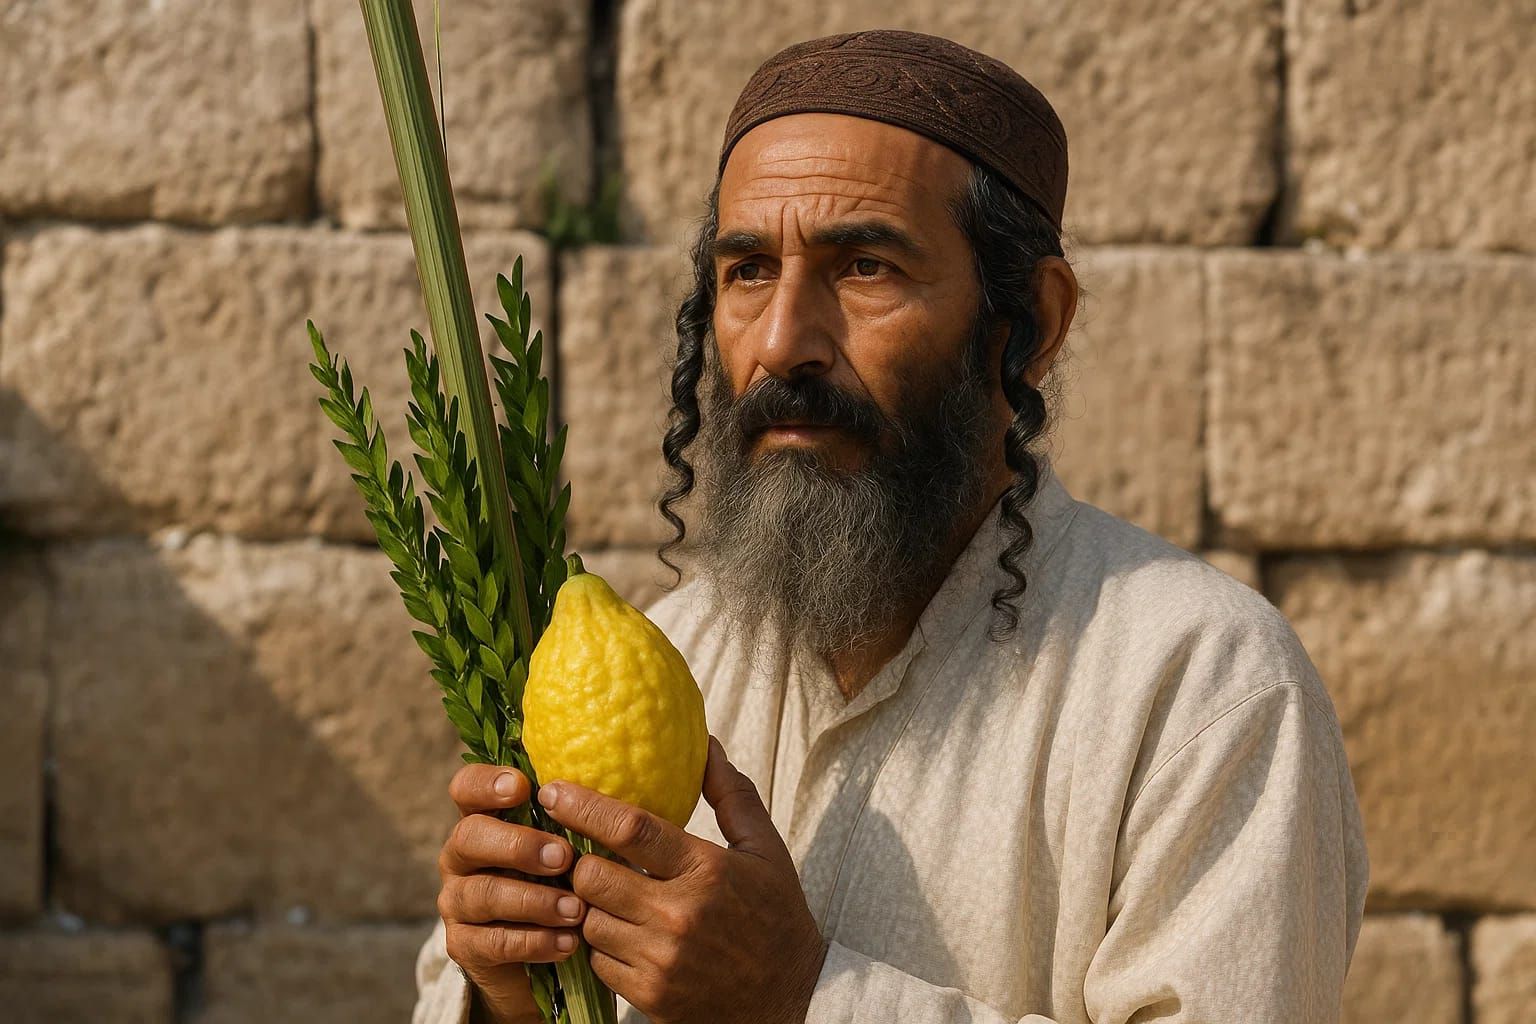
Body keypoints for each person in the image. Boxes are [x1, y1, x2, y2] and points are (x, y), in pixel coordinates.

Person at [413, 28, 1368, 1024]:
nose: (783, 342)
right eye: (745, 272)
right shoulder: (672, 655)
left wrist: (802, 996)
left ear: (1030, 321)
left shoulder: (1203, 685)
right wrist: (507, 994)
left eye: (865, 267)